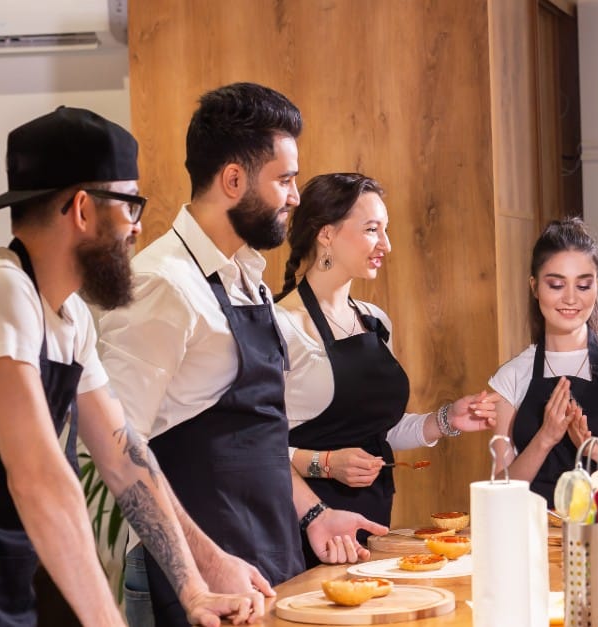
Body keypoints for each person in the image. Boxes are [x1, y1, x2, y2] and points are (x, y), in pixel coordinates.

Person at [0, 107, 265, 625]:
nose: (138, 227)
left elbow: (124, 460)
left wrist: (195, 586)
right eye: (130, 204)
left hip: (0, 589)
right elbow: (39, 480)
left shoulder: (69, 316)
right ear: (81, 208)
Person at [97, 84, 386, 626]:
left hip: (268, 563)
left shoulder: (247, 277)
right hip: (198, 586)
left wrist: (314, 514)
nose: (296, 196)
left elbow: (259, 434)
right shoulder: (162, 286)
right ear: (234, 180)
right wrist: (204, 567)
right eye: (285, 179)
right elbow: (116, 457)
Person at [274, 172, 498, 566]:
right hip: (301, 526)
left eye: (386, 230)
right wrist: (325, 464)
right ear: (326, 234)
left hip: (370, 526)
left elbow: (379, 433)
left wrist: (447, 420)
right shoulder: (280, 325)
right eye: (372, 229)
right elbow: (255, 444)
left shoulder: (374, 321)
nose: (386, 245)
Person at [488, 217, 598, 503]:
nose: (571, 299)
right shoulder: (510, 378)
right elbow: (498, 495)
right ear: (534, 287)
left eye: (583, 286)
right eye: (556, 285)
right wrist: (545, 438)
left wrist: (594, 449)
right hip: (537, 538)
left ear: (597, 285)